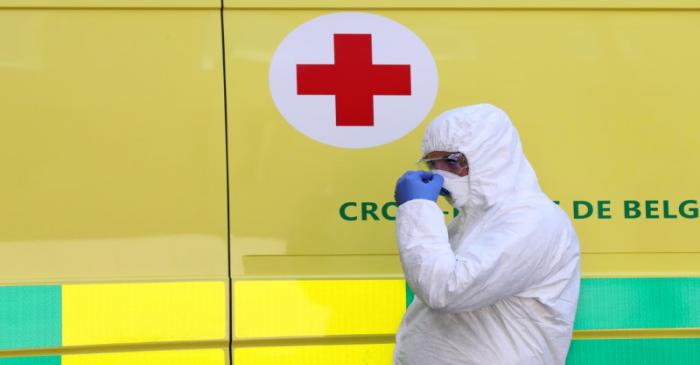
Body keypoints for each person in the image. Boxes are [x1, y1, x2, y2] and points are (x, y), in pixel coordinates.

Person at [393, 104, 580, 365]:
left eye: (453, 161)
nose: (441, 175)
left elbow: (445, 290)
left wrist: (418, 209)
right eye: (433, 163)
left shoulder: (532, 220)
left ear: (494, 156)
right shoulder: (471, 222)